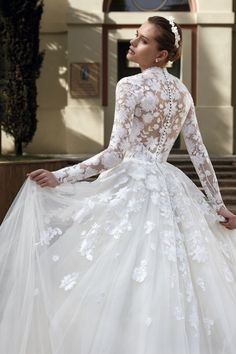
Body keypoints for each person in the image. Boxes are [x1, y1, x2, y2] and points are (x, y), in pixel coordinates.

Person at [0, 16, 236, 354]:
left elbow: (114, 155)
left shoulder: (129, 86)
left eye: (142, 40)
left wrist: (60, 176)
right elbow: (199, 153)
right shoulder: (182, 92)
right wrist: (218, 205)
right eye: (136, 36)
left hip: (133, 182)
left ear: (159, 55)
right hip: (170, 185)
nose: (133, 42)